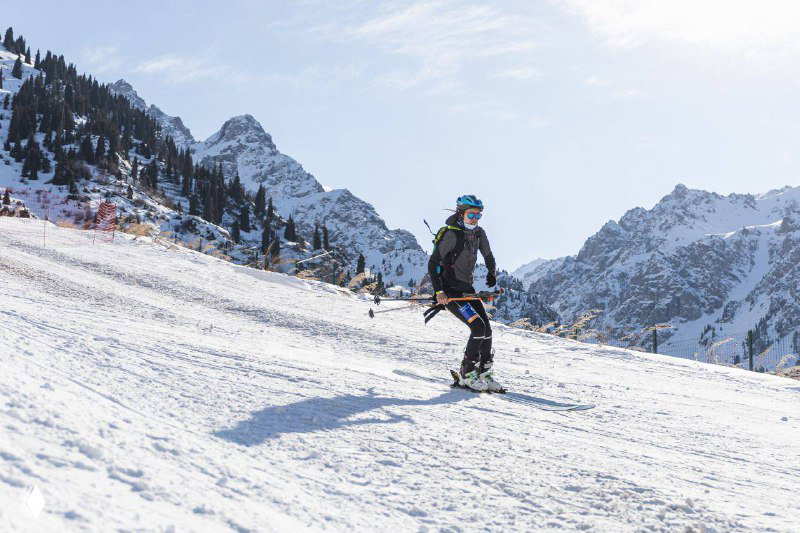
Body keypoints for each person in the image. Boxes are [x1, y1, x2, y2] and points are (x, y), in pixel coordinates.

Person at [427, 194, 501, 392]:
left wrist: (491, 272)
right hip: (450, 292)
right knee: (477, 328)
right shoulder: (452, 234)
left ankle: (484, 372)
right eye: (471, 215)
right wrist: (439, 291)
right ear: (461, 214)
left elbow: (488, 254)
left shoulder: (478, 233)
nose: (475, 219)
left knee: (486, 329)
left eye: (478, 216)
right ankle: (466, 373)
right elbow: (433, 263)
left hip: (467, 289)